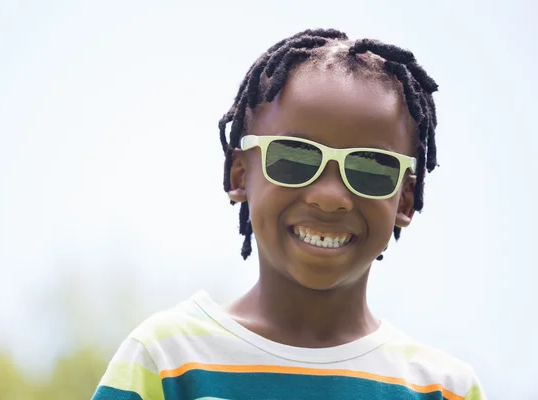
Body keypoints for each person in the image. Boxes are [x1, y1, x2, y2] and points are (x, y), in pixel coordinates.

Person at [91, 28, 486, 399]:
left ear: (404, 199)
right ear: (240, 173)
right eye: (295, 158)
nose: (330, 197)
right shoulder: (168, 361)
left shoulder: (441, 388)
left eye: (370, 168)